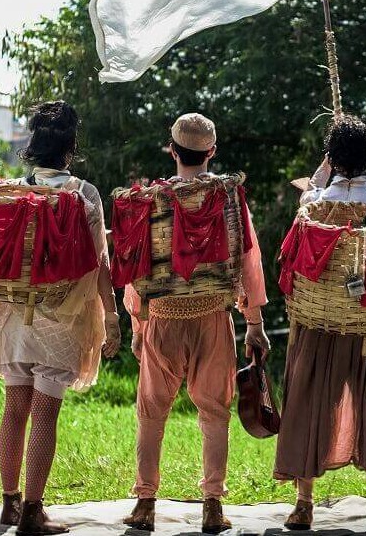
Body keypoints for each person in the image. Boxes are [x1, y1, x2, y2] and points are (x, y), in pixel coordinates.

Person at [0, 101, 122, 535]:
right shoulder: (82, 193)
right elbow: (99, 263)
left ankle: (8, 505)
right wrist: (111, 317)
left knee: (15, 408)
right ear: (70, 145)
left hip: (11, 318)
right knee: (44, 414)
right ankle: (34, 511)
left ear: (32, 144)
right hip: (61, 320)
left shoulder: (13, 190)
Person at [122, 113, 270, 534]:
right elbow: (249, 259)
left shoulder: (152, 199)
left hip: (162, 319)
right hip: (213, 316)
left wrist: (137, 323)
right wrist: (254, 322)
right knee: (214, 413)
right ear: (212, 153)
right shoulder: (227, 197)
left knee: (151, 413)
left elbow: (137, 264)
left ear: (172, 150)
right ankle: (211, 506)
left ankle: (145, 504)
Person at [274, 114, 366, 532]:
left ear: (332, 158)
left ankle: (304, 503)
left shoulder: (314, 204)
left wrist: (320, 175)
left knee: (309, 400)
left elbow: (294, 251)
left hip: (318, 321)